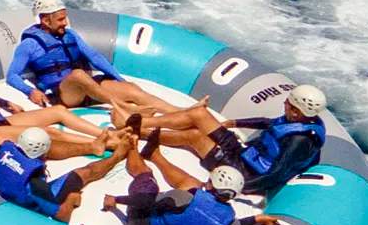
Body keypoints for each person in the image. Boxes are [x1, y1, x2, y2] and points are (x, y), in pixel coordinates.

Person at [123, 84, 328, 200]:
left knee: (194, 136)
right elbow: (269, 123)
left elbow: (276, 173)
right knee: (198, 114)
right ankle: (139, 125)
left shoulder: (300, 140)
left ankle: (139, 133)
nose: (284, 104)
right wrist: (234, 122)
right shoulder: (300, 120)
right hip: (244, 154)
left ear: (297, 110)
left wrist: (240, 187)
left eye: (288, 103)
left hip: (244, 171)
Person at [0, 35, 113, 157]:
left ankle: (108, 135)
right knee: (47, 133)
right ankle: (98, 145)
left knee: (58, 111)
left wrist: (5, 103)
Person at [103, 130, 283, 225]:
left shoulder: (183, 199)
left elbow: (145, 201)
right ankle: (154, 154)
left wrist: (116, 201)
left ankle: (131, 147)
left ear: (213, 184)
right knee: (192, 185)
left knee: (146, 177)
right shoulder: (229, 220)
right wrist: (257, 219)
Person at [0, 125, 133, 224]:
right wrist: (71, 201)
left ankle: (93, 146)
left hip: (0, 192)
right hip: (25, 207)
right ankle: (117, 156)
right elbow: (60, 217)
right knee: (82, 174)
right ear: (44, 151)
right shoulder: (36, 184)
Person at [7, 0, 168, 113]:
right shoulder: (29, 45)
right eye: (60, 20)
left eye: (65, 18)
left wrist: (119, 80)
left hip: (88, 88)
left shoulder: (70, 35)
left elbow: (95, 57)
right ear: (45, 20)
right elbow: (12, 75)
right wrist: (31, 91)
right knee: (78, 75)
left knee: (132, 89)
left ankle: (181, 113)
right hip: (64, 95)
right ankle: (122, 107)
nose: (65, 23)